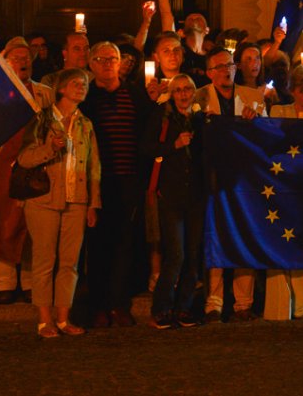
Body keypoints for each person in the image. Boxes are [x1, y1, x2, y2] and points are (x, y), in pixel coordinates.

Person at [0, 37, 54, 304]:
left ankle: (29, 282)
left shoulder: (44, 92)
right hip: (0, 165)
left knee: (30, 224)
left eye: (26, 57)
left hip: (34, 164)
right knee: (2, 222)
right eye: (15, 58)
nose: (22, 62)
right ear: (5, 62)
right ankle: (4, 282)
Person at [18, 68, 101, 338]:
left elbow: (93, 167)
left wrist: (92, 203)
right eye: (76, 83)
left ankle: (64, 318)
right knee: (44, 261)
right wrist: (49, 148)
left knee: (70, 263)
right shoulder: (41, 120)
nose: (82, 88)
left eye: (85, 84)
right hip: (43, 200)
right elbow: (24, 159)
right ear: (62, 89)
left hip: (75, 201)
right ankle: (44, 320)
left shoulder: (85, 124)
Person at [80, 41, 153, 327]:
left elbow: (147, 134)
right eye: (101, 59)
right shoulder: (86, 98)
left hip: (128, 180)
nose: (108, 63)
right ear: (91, 64)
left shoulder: (135, 95)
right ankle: (97, 305)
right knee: (97, 245)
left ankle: (119, 304)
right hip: (97, 181)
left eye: (113, 58)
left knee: (125, 243)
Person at [194, 46, 265, 322]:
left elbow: (266, 134)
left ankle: (243, 303)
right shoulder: (198, 96)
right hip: (211, 178)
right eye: (220, 67)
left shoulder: (253, 97)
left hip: (244, 179)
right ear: (210, 72)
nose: (226, 71)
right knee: (216, 237)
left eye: (230, 66)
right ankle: (214, 302)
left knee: (242, 235)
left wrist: (256, 121)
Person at [141, 75, 206, 329]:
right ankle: (161, 308)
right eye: (178, 90)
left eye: (187, 89)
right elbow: (147, 147)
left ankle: (184, 307)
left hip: (196, 196)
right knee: (176, 254)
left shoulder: (201, 120)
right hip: (170, 195)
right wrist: (174, 144)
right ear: (172, 93)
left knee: (192, 254)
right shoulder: (163, 117)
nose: (183, 94)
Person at [265, 66, 303, 320]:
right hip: (281, 187)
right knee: (278, 243)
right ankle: (279, 306)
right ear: (293, 91)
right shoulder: (279, 112)